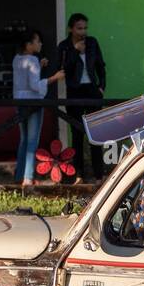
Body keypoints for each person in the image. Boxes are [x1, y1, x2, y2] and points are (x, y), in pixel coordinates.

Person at [50, 13, 107, 182]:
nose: (83, 31)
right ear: (71, 29)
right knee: (77, 134)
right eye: (79, 28)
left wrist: (102, 86)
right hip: (74, 91)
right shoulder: (65, 46)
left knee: (96, 134)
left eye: (85, 28)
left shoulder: (92, 42)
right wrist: (75, 51)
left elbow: (100, 66)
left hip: (92, 90)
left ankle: (99, 175)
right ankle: (79, 175)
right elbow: (63, 68)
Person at [12, 29, 64, 185]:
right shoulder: (32, 60)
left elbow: (25, 80)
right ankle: (28, 177)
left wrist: (39, 66)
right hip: (33, 103)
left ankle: (19, 175)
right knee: (32, 140)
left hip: (20, 102)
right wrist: (54, 78)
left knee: (24, 140)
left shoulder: (17, 59)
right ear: (29, 44)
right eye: (37, 41)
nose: (40, 43)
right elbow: (34, 86)